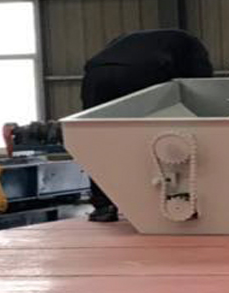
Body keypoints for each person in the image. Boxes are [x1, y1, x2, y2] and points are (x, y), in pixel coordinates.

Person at [79, 29, 214, 222]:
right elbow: (200, 86)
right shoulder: (190, 44)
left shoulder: (125, 40)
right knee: (155, 136)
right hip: (144, 72)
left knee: (96, 137)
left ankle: (103, 206)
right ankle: (161, 199)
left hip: (96, 74)